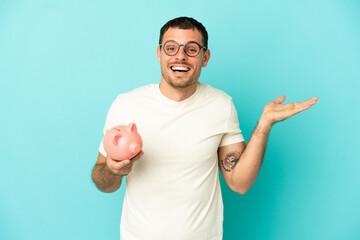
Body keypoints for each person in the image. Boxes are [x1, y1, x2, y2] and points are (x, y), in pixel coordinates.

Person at [91, 17, 318, 240]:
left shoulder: (221, 105)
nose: (180, 55)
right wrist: (113, 170)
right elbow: (104, 182)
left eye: (191, 49)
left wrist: (264, 125)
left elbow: (239, 183)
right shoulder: (127, 104)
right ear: (159, 54)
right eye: (171, 48)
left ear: (205, 57)